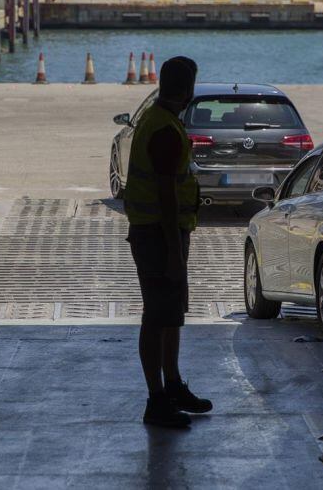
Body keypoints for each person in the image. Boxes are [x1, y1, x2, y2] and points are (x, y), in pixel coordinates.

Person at [124, 56, 213, 428]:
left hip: (161, 232)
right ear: (188, 88)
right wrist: (175, 254)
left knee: (170, 315)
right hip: (159, 235)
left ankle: (172, 385)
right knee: (157, 316)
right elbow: (166, 195)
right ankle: (156, 399)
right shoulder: (164, 130)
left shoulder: (160, 119)